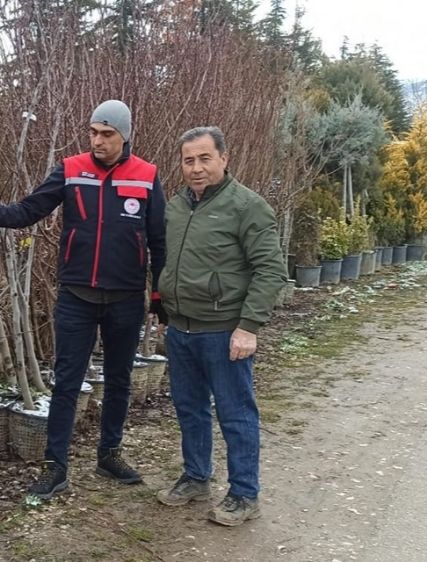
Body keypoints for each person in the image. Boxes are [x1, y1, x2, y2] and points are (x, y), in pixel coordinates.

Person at [0, 100, 166, 499]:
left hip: (125, 298)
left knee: (119, 380)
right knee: (67, 382)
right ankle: (55, 467)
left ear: (124, 136)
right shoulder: (72, 170)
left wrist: (158, 293)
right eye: (93, 132)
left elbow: (159, 240)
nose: (97, 141)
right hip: (76, 295)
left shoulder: (146, 176)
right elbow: (28, 209)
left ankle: (109, 453)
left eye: (107, 134)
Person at [154, 126, 285, 526]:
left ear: (224, 159)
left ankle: (245, 494)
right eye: (188, 160)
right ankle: (196, 477)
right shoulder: (175, 206)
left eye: (204, 158)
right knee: (189, 409)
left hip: (224, 331)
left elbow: (270, 269)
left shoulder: (247, 206)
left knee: (235, 413)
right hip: (181, 330)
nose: (195, 168)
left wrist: (248, 326)